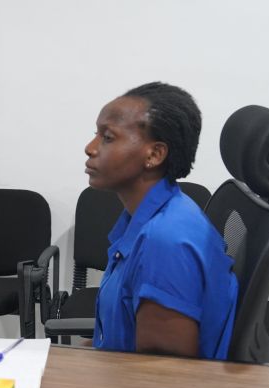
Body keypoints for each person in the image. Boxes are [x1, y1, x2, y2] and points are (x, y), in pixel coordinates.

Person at [85, 81, 237, 360]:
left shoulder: (165, 242)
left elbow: (164, 374)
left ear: (154, 155)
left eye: (107, 137)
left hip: (140, 385)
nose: (90, 148)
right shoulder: (151, 218)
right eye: (96, 134)